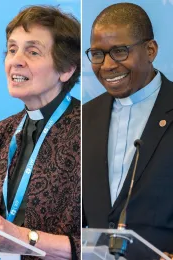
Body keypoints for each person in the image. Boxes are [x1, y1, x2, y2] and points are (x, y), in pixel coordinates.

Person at [82, 2, 173, 259]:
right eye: (97, 54)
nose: (107, 65)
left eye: (119, 51)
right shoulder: (84, 117)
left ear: (150, 50)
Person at [0, 6, 81, 259]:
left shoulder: (89, 130)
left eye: (32, 51)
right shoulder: (2, 131)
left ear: (67, 70)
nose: (16, 60)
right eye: (11, 49)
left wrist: (24, 239)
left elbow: (102, 242)